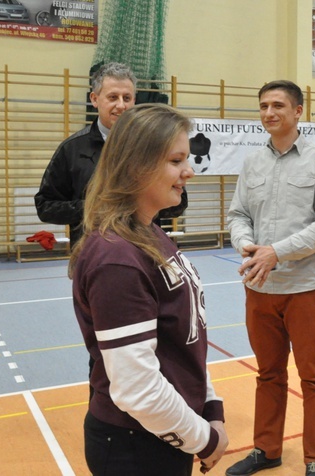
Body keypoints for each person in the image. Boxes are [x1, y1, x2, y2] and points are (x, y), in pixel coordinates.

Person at [69, 103, 229, 475]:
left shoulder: (148, 233)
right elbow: (137, 389)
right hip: (134, 446)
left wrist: (210, 409)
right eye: (176, 161)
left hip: (165, 433)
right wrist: (204, 439)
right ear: (137, 166)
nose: (188, 171)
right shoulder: (117, 259)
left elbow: (181, 342)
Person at [226, 80, 315, 476]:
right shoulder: (252, 163)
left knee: (314, 376)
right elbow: (238, 215)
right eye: (263, 106)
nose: (269, 113)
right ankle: (266, 449)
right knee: (268, 374)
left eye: (277, 105)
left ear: (298, 112)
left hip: (304, 287)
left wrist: (277, 251)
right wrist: (246, 245)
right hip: (260, 288)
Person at [35, 62, 187, 248]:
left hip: (148, 253)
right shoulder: (72, 149)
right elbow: (46, 208)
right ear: (94, 98)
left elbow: (179, 204)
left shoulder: (153, 146)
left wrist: (142, 203)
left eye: (127, 97)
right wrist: (96, 207)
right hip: (93, 256)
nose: (121, 105)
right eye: (113, 97)